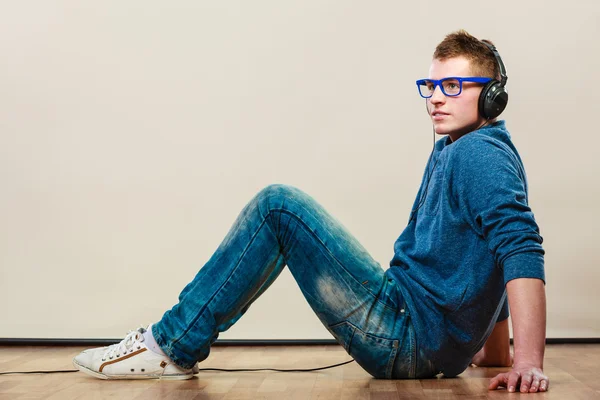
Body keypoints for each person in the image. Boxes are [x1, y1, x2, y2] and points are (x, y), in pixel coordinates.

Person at [73, 29, 549, 393]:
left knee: (279, 206)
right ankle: (173, 343)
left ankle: (169, 346)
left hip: (407, 336)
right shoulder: (459, 146)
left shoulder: (479, 154)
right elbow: (487, 251)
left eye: (452, 84)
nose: (436, 97)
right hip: (413, 327)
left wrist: (527, 361)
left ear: (491, 95)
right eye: (430, 84)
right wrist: (491, 350)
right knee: (281, 209)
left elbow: (519, 247)